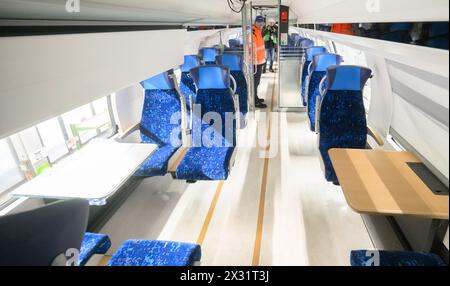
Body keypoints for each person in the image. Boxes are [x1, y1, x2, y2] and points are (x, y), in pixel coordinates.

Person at [252, 15, 267, 109]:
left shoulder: (259, 31)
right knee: (254, 82)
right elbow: (252, 49)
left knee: (257, 82)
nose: (261, 24)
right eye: (259, 22)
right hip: (254, 62)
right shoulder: (253, 32)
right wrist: (254, 61)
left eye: (262, 22)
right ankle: (254, 101)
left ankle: (255, 97)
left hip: (259, 61)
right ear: (255, 22)